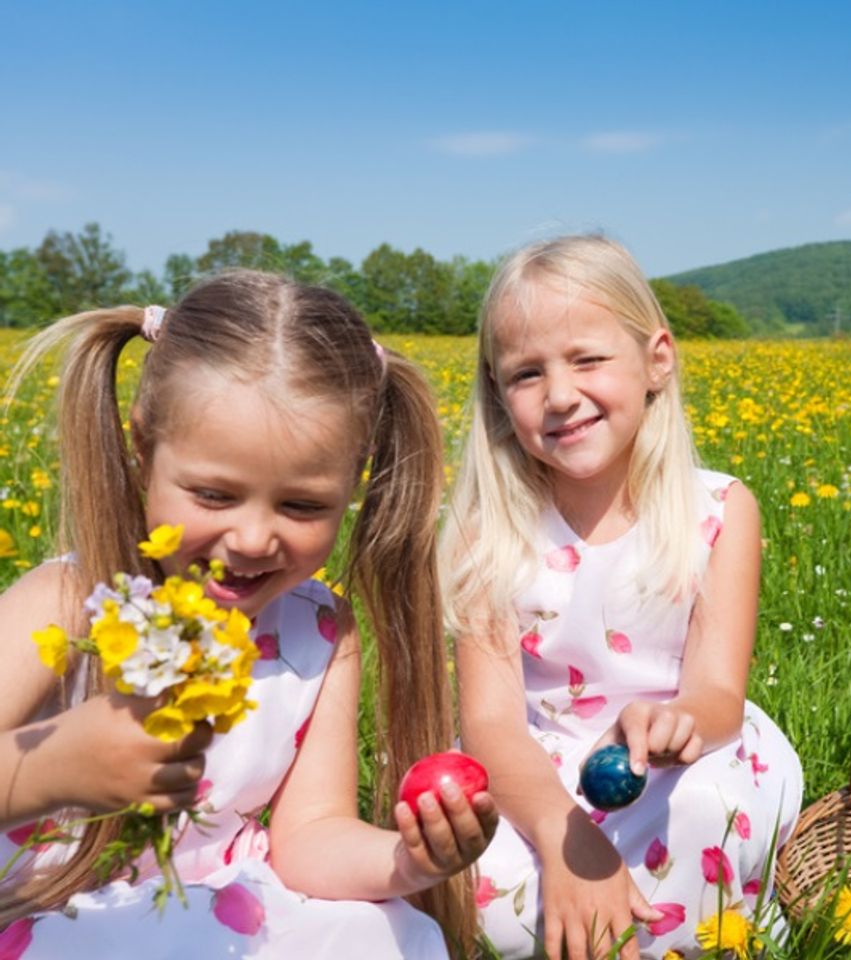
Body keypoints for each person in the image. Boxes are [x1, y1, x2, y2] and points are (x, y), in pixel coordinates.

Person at [0, 271, 498, 958]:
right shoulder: (70, 603)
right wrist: (53, 768)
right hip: (60, 916)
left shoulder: (320, 629)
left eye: (302, 506)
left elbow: (310, 836)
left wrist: (409, 864)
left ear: (352, 486)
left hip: (226, 911)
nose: (255, 539)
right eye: (213, 495)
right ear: (144, 448)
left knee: (388, 932)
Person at [441, 234, 802, 960]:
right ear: (497, 392)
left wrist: (671, 723)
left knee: (709, 816)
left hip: (684, 758)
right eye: (526, 374)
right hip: (534, 771)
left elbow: (718, 694)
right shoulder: (487, 532)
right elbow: (488, 721)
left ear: (656, 361)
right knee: (491, 905)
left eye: (587, 359)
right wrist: (565, 836)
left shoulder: (721, 510)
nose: (561, 394)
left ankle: (709, 928)